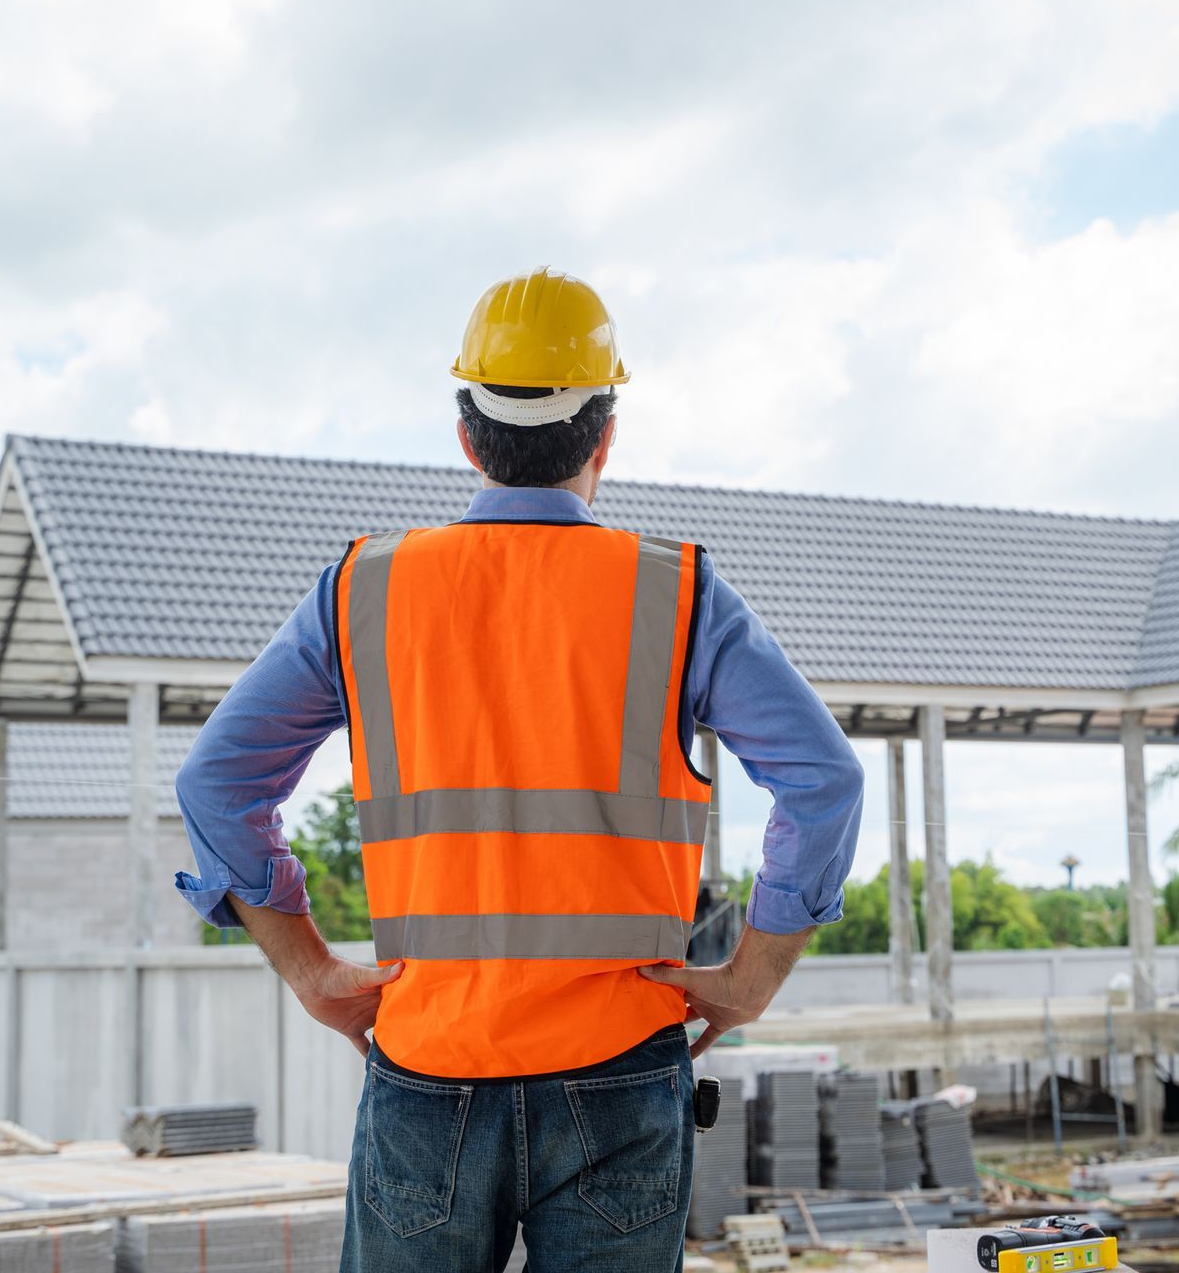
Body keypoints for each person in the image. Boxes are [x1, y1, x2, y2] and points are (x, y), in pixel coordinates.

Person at [173, 265, 864, 1272]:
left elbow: (215, 783)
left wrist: (314, 972)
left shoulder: (363, 590)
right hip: (622, 1070)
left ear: (467, 435)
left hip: (428, 1065)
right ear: (605, 434)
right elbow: (823, 780)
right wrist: (752, 976)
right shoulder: (677, 597)